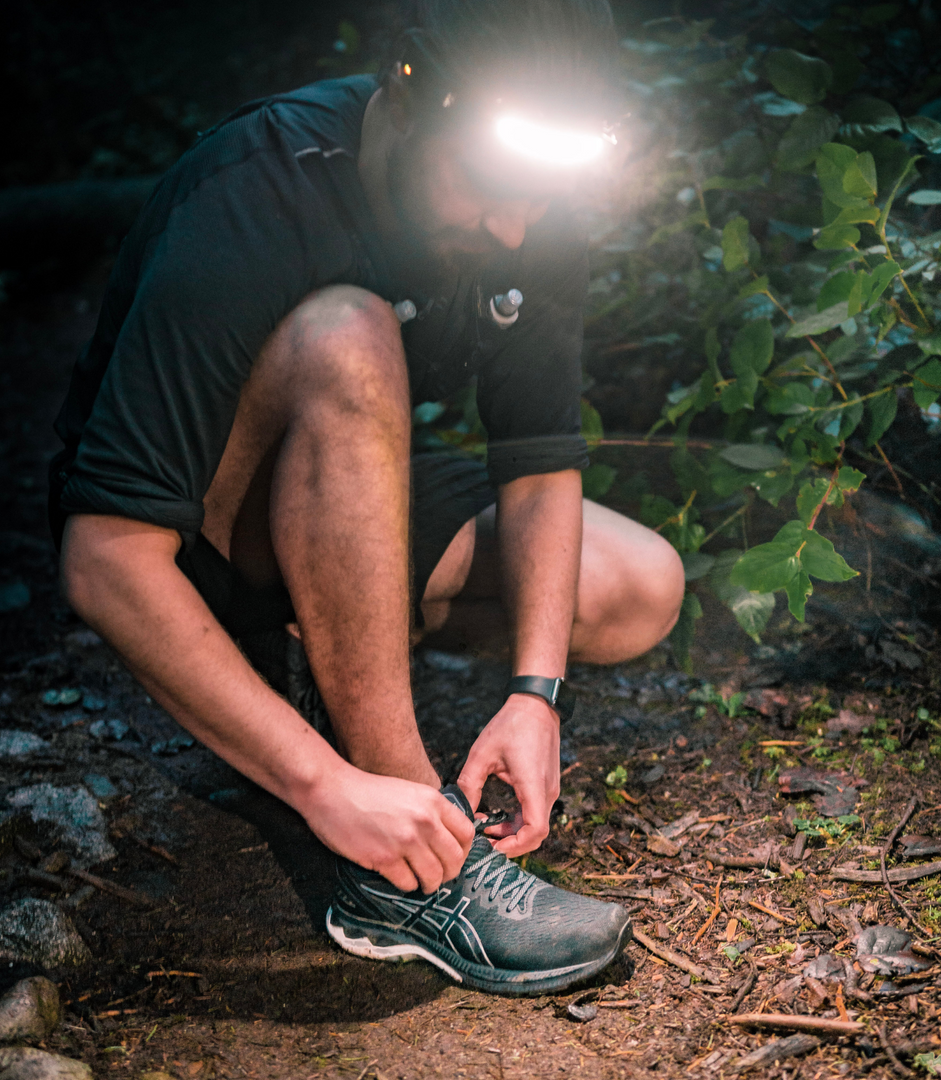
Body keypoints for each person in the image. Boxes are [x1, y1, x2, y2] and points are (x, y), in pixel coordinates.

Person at [51, 0, 685, 995]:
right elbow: (104, 557)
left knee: (634, 584)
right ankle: (398, 866)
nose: (512, 227)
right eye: (486, 185)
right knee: (344, 330)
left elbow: (538, 462)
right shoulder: (258, 188)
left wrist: (535, 694)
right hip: (199, 539)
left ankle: (327, 669)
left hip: (340, 493)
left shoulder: (529, 215)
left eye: (535, 197)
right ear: (405, 92)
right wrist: (326, 785)